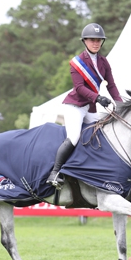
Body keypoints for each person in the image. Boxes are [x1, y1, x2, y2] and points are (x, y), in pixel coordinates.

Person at [46, 23, 123, 188]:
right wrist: (98, 97)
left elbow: (111, 85)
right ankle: (54, 172)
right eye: (92, 40)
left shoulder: (104, 62)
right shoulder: (77, 63)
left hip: (91, 107)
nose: (95, 43)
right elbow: (80, 88)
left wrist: (120, 105)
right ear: (85, 41)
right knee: (74, 137)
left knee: (100, 136)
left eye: (99, 40)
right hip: (75, 105)